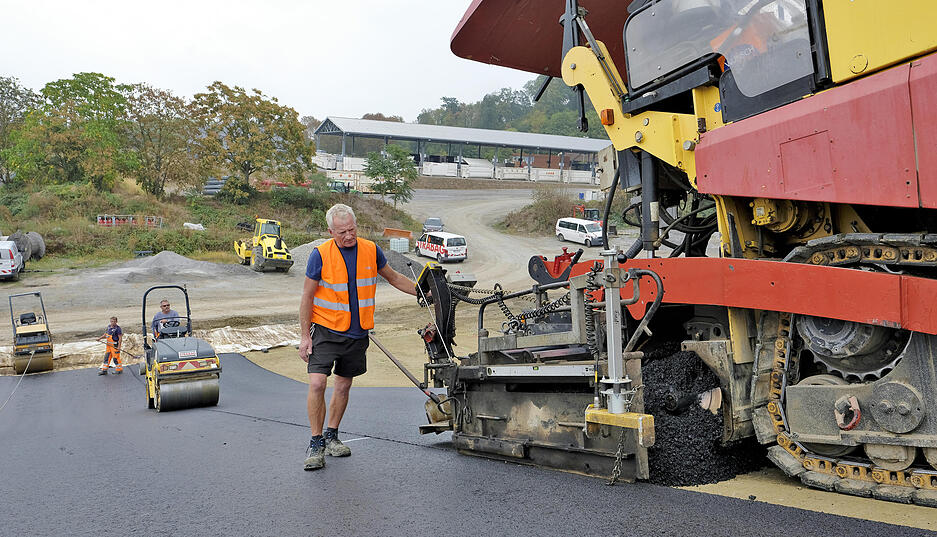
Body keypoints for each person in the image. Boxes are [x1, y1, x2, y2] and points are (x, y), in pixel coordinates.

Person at [299, 203, 418, 471]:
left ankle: (332, 436)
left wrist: (424, 293)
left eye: (352, 229)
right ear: (330, 231)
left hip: (357, 333)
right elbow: (307, 297)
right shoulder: (320, 255)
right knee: (317, 383)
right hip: (326, 331)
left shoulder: (370, 250)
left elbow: (395, 277)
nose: (349, 236)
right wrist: (305, 337)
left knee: (342, 386)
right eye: (342, 232)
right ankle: (316, 443)